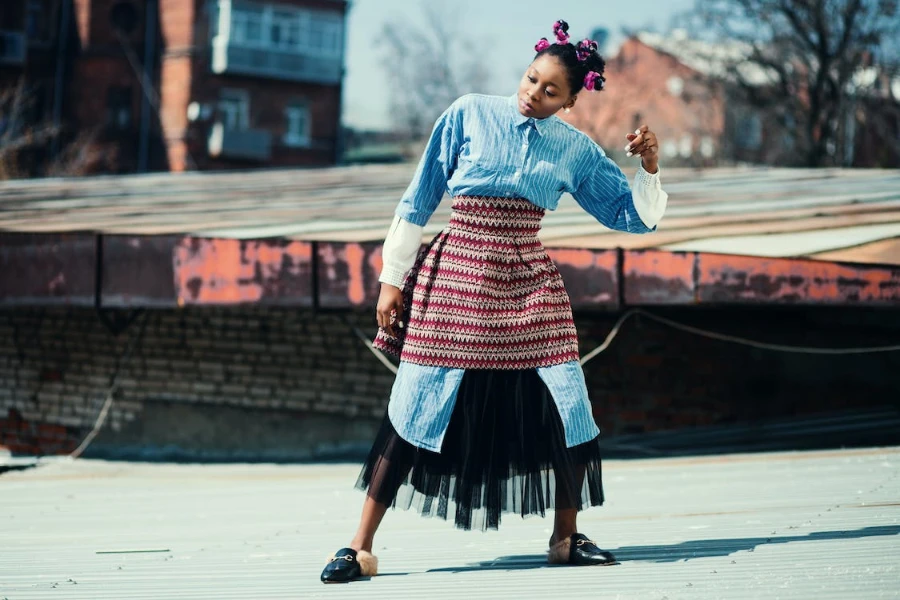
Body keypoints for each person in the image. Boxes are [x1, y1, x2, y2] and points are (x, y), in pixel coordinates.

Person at [320, 19, 668, 583]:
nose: (534, 94)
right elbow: (420, 195)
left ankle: (565, 536)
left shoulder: (573, 149)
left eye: (551, 91)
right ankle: (358, 547)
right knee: (413, 404)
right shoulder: (468, 113)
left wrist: (648, 168)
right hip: (453, 277)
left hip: (530, 287)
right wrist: (392, 279)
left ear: (572, 100)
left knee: (568, 406)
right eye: (532, 80)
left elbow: (632, 217)